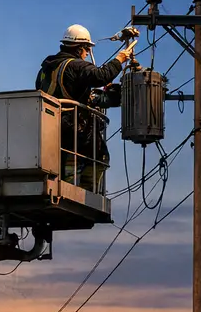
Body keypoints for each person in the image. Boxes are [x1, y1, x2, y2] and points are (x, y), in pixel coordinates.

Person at [34, 24, 136, 193]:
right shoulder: (75, 65)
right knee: (99, 156)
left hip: (50, 128)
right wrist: (120, 59)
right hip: (74, 128)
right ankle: (85, 191)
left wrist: (88, 96)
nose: (88, 53)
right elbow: (100, 76)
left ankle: (67, 183)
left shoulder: (45, 69)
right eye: (87, 49)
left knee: (64, 158)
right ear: (80, 47)